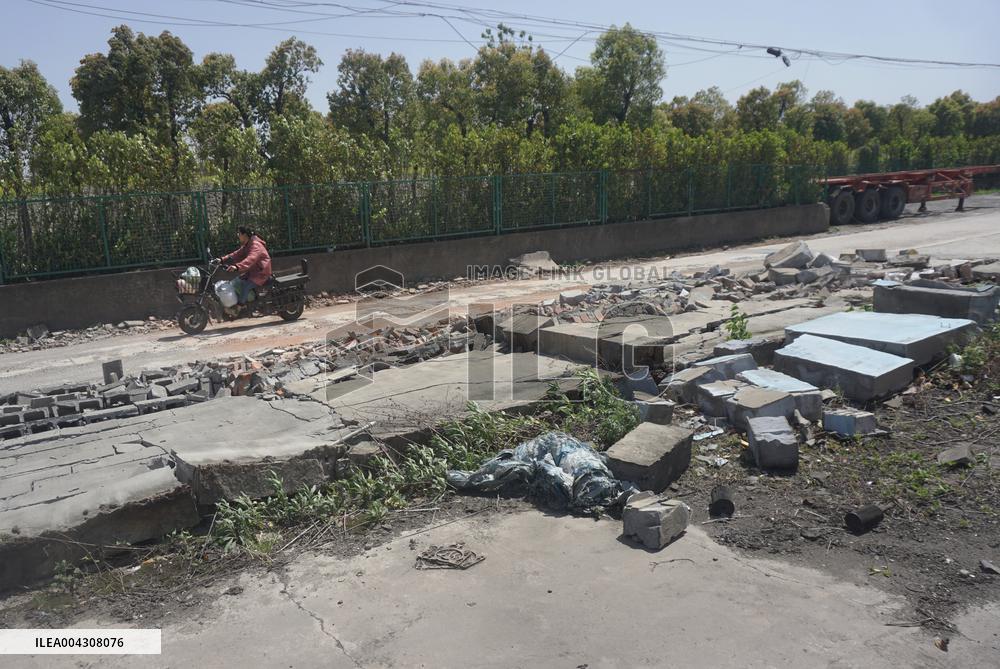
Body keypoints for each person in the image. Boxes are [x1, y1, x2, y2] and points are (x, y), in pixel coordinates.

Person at [217, 226, 272, 304]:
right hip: (253, 272)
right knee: (237, 281)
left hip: (261, 273)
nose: (238, 235)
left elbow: (250, 259)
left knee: (245, 286)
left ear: (244, 235)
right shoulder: (248, 244)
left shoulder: (255, 245)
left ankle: (240, 307)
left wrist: (236, 267)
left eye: (239, 233)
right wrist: (222, 259)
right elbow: (237, 253)